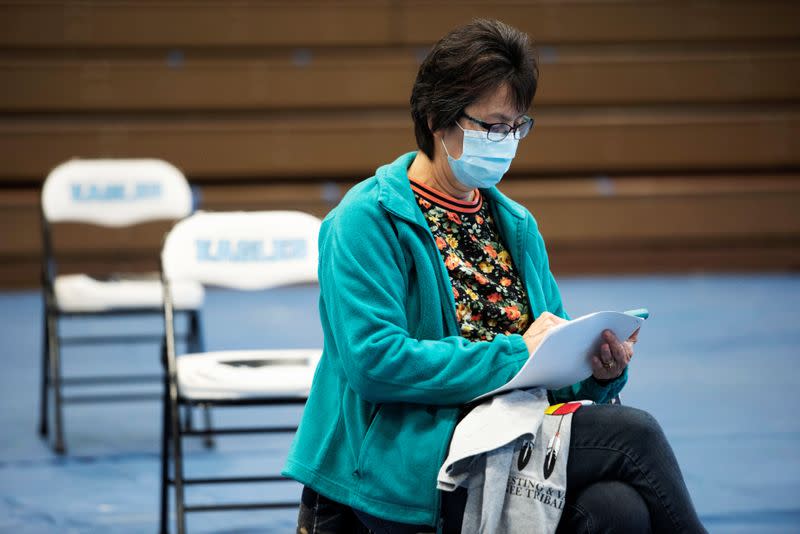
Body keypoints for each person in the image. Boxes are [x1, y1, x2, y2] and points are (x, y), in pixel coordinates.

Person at [283, 19, 707, 534]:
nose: (504, 141)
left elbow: (552, 350)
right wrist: (515, 355)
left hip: (516, 436)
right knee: (633, 435)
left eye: (515, 127)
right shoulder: (364, 219)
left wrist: (598, 370)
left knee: (618, 511)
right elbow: (376, 362)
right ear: (438, 120)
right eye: (490, 126)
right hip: (416, 455)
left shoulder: (516, 225)